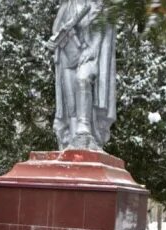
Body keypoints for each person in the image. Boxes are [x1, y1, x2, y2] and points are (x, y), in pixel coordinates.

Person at [48, 0, 117, 150]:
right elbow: (56, 29)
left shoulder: (99, 7)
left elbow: (102, 34)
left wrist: (92, 50)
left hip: (90, 56)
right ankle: (73, 141)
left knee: (82, 79)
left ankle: (84, 128)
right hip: (68, 55)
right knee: (70, 101)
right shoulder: (68, 5)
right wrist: (53, 42)